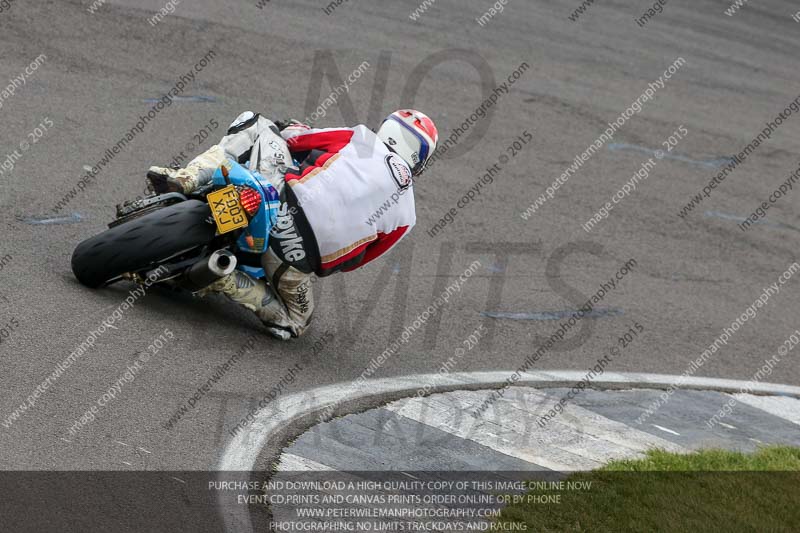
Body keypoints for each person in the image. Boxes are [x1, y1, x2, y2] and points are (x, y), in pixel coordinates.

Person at [147, 110, 439, 340]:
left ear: (387, 128)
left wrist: (288, 128)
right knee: (296, 323)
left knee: (256, 123)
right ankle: (225, 276)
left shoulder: (362, 138)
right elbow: (356, 262)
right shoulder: (407, 215)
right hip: (295, 260)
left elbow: (296, 138)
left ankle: (188, 176)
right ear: (421, 161)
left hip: (277, 201)